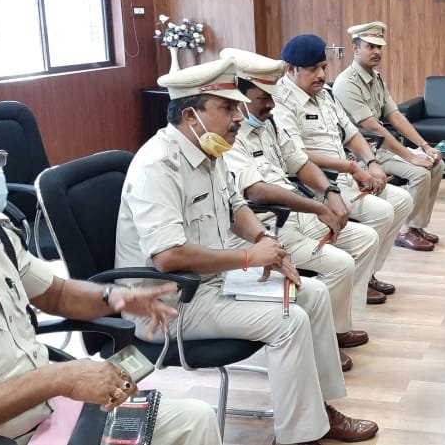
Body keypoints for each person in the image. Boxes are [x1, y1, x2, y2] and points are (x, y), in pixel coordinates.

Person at [0, 95, 221, 445]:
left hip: (50, 412)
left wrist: (115, 297)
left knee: (195, 419)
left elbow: (56, 293)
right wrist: (56, 379)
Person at [113, 59, 378, 445]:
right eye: (227, 108)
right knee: (288, 321)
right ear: (190, 115)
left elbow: (236, 208)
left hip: (212, 283)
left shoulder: (209, 149)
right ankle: (301, 436)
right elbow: (168, 256)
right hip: (169, 303)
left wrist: (266, 243)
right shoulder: (158, 165)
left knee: (313, 292)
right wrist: (251, 258)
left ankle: (319, 411)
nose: (238, 117)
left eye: (237, 107)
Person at [220, 48, 381, 368]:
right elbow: (257, 191)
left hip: (296, 214)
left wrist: (330, 192)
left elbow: (300, 162)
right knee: (339, 264)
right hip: (267, 225)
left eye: (272, 96)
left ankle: (335, 328)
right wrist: (316, 207)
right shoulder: (231, 135)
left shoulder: (268, 123)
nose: (271, 104)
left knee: (365, 239)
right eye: (263, 97)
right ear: (239, 98)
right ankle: (321, 341)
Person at [274, 33, 413, 301]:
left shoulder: (325, 95)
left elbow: (351, 134)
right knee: (382, 211)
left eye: (323, 67)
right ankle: (358, 285)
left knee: (402, 200)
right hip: (315, 186)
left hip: (347, 178)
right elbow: (297, 154)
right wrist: (351, 167)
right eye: (313, 69)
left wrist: (372, 163)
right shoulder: (281, 101)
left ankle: (367, 274)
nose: (321, 75)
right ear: (291, 69)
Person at [334, 21, 445, 252]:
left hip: (381, 150)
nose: (376, 51)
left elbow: (395, 116)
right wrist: (410, 157)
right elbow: (373, 127)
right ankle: (404, 232)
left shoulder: (376, 78)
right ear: (355, 48)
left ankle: (416, 227)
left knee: (436, 164)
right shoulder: (346, 83)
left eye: (379, 47)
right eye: (370, 46)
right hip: (361, 155)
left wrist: (424, 146)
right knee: (419, 173)